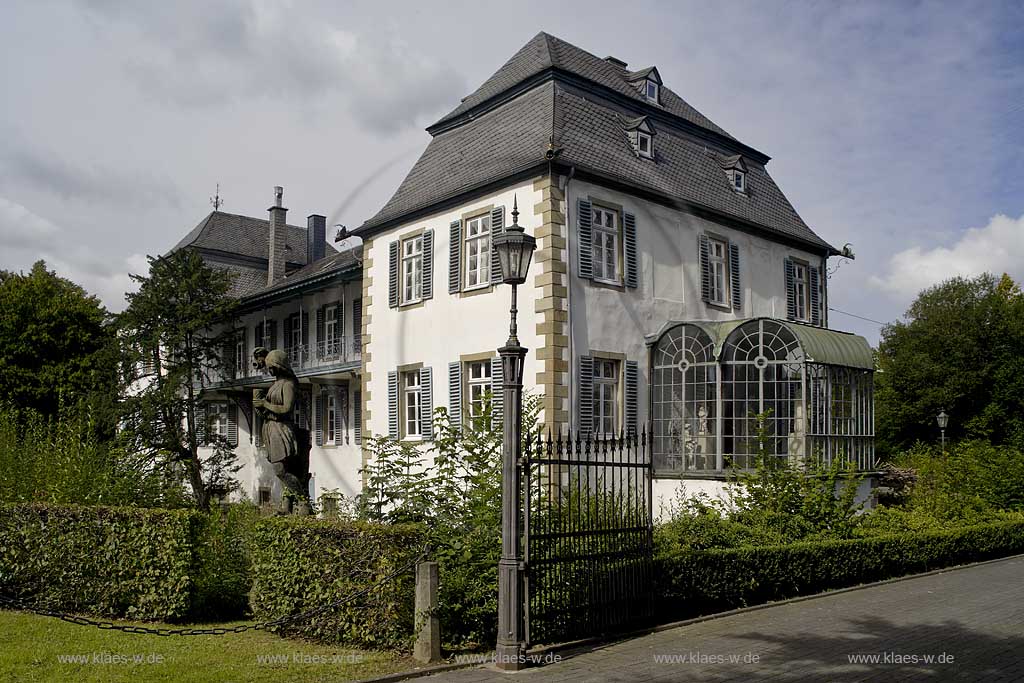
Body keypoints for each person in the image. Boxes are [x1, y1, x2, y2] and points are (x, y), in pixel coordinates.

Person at [252, 349, 308, 514]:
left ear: (279, 366)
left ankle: (303, 500)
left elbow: (286, 408)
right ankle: (286, 505)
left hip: (281, 428)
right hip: (271, 428)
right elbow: (268, 411)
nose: (269, 370)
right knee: (285, 469)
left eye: (272, 367)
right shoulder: (275, 384)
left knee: (280, 470)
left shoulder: (288, 384)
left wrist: (265, 404)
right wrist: (259, 408)